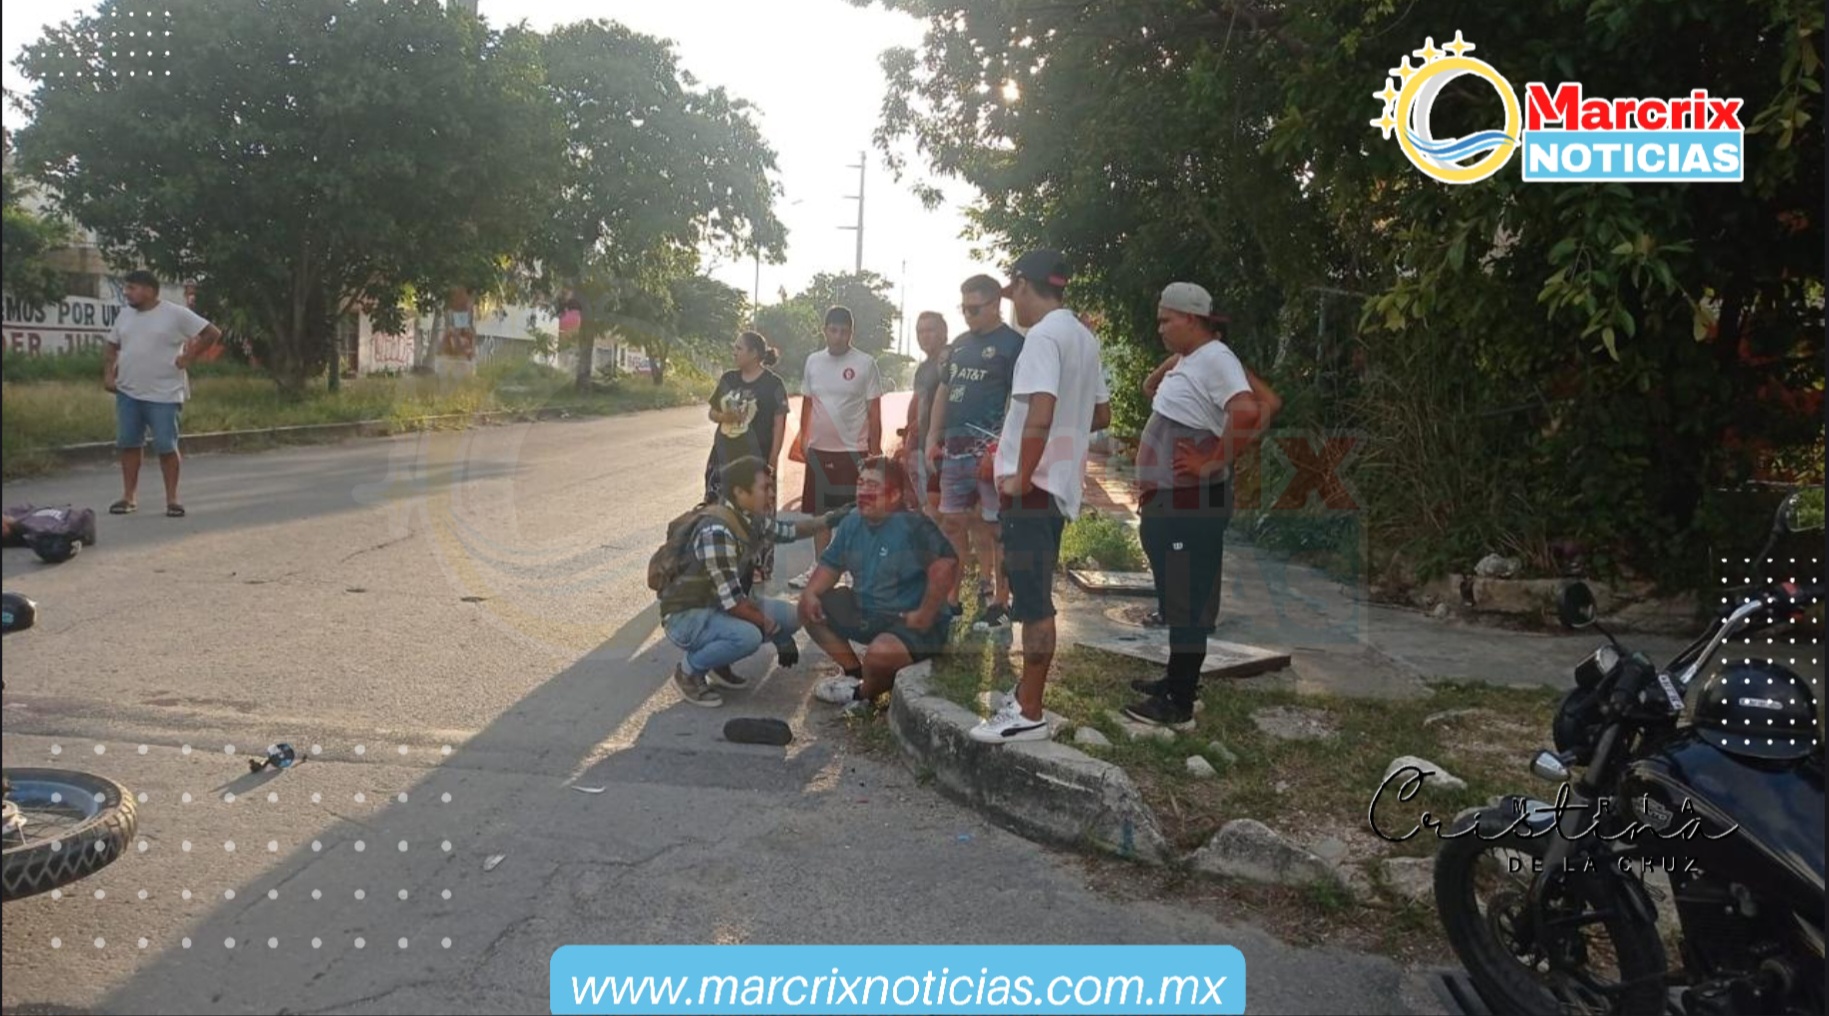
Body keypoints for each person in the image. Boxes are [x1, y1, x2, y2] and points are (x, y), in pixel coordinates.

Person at [1122, 283, 1279, 728]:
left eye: (1166, 320)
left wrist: (1213, 462)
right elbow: (1150, 387)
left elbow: (1248, 411)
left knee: (1187, 599)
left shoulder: (1215, 358)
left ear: (1191, 319)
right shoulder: (1197, 358)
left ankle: (1178, 703)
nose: (1160, 328)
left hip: (1189, 500)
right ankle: (1177, 680)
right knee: (1179, 598)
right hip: (1173, 498)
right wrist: (1179, 356)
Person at [969, 251, 1110, 744]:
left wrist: (1021, 474)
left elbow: (1041, 412)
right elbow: (1101, 415)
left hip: (1033, 490)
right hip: (1057, 486)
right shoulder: (1083, 338)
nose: (1015, 307)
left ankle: (1029, 712)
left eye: (1013, 296)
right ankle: (1026, 695)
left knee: (1032, 602)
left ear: (1024, 285)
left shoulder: (1042, 338)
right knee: (1034, 594)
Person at [659, 456, 848, 708]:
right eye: (765, 488)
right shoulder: (717, 531)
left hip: (718, 605)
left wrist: (832, 519)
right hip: (689, 617)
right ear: (740, 492)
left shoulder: (747, 517)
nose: (772, 494)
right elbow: (735, 603)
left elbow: (791, 531)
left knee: (794, 615)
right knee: (748, 636)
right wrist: (777, 634)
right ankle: (688, 672)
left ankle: (718, 662)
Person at [1134, 333, 1282, 628]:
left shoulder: (1227, 367)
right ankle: (1175, 612)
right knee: (1171, 546)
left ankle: (1197, 618)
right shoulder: (1188, 363)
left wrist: (1228, 451)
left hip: (1199, 482)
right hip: (1173, 485)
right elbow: (1149, 386)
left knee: (1196, 549)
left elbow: (1270, 404)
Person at [801, 456, 960, 714]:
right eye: (860, 483)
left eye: (873, 485)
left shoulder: (914, 526)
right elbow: (829, 568)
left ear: (895, 495)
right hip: (868, 614)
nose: (863, 491)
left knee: (880, 655)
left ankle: (860, 695)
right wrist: (810, 594)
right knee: (807, 608)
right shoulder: (852, 522)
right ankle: (854, 673)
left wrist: (925, 613)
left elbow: (947, 564)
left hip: (910, 624)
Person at [925, 275, 1026, 627]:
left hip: (991, 453)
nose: (968, 315)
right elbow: (944, 391)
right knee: (952, 523)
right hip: (953, 450)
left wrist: (998, 449)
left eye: (975, 309)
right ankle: (951, 599)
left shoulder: (1014, 345)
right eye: (964, 308)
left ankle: (1000, 600)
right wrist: (932, 437)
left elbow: (1019, 402)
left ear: (996, 304)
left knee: (996, 527)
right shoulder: (960, 344)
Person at [103, 269, 222, 518]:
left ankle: (172, 500)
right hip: (128, 391)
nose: (127, 293)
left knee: (166, 447)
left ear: (149, 290)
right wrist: (109, 375)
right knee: (129, 444)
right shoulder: (125, 315)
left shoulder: (175, 313)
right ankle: (128, 497)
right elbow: (112, 345)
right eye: (126, 288)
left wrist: (189, 356)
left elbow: (212, 333)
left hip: (164, 393)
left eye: (132, 288)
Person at [789, 306, 884, 589]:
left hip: (853, 452)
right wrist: (804, 439)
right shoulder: (813, 362)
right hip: (819, 450)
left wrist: (874, 452)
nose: (839, 337)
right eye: (834, 330)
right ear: (825, 331)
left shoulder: (866, 363)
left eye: (844, 332)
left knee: (853, 515)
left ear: (851, 333)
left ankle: (851, 571)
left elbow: (874, 411)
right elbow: (808, 403)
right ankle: (820, 568)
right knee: (821, 515)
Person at [902, 311, 950, 519]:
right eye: (920, 332)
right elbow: (919, 404)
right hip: (923, 446)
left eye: (930, 330)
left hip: (945, 447)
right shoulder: (922, 369)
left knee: (944, 512)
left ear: (943, 332)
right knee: (927, 509)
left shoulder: (950, 360)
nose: (924, 336)